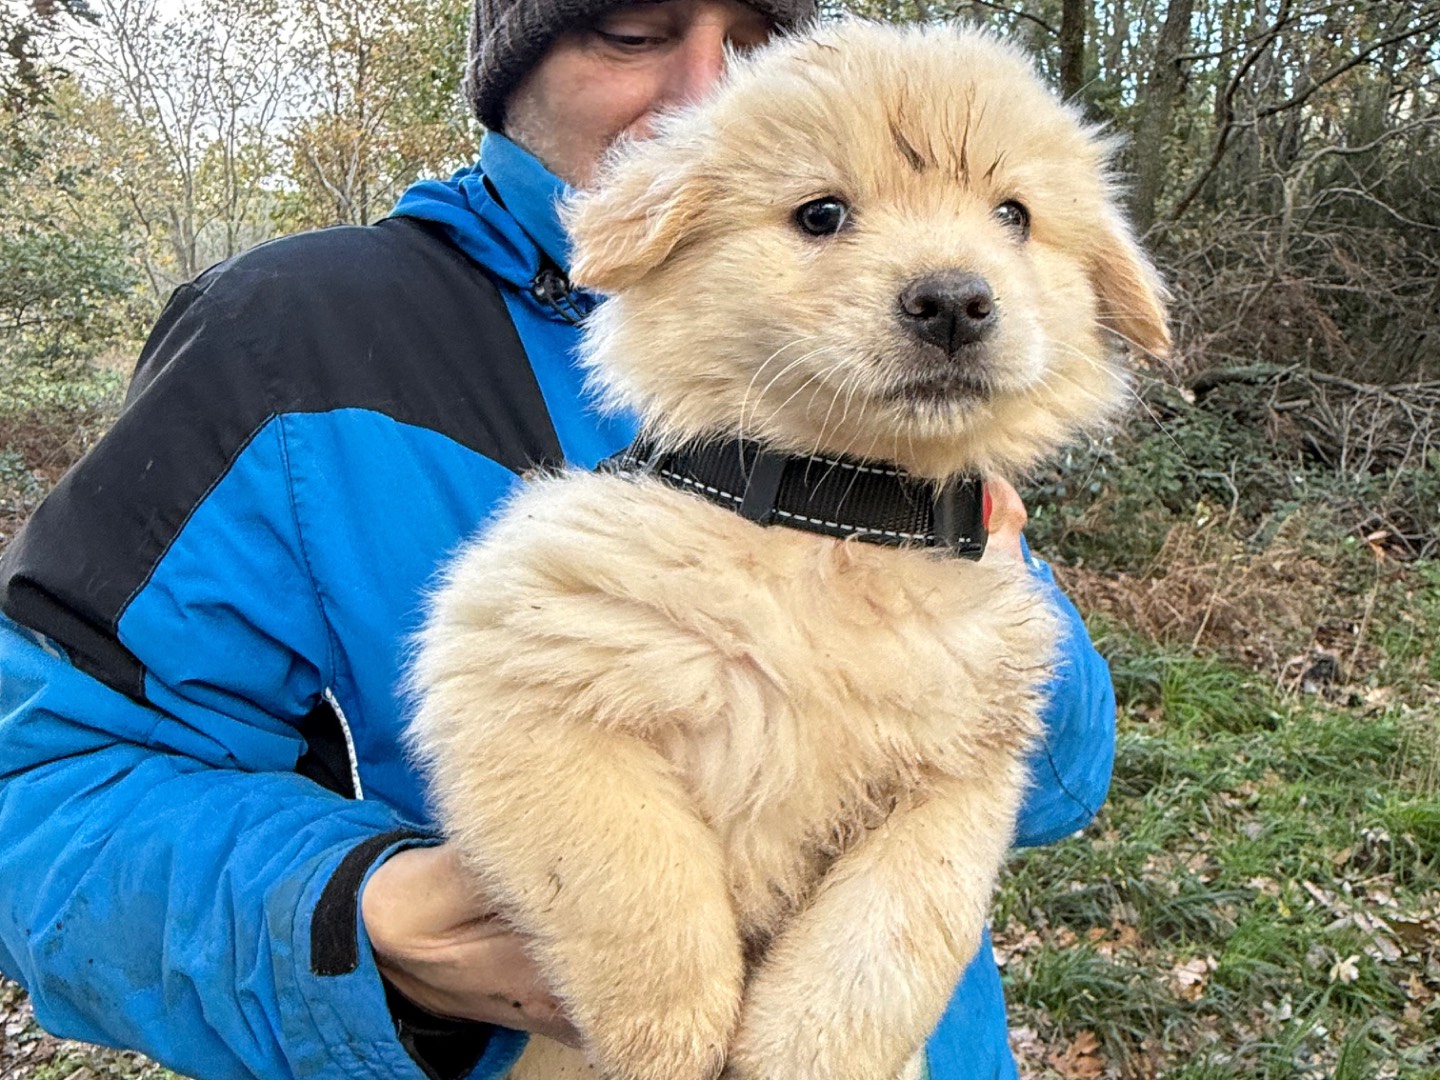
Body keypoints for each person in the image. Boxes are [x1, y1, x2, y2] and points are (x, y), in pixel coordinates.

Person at [0, 0, 1117, 1076]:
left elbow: (1063, 785)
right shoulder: (294, 339)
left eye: (764, 41)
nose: (709, 86)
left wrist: (991, 637)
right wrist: (358, 919)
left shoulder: (936, 410)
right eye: (631, 33)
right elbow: (43, 795)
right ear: (510, 69)